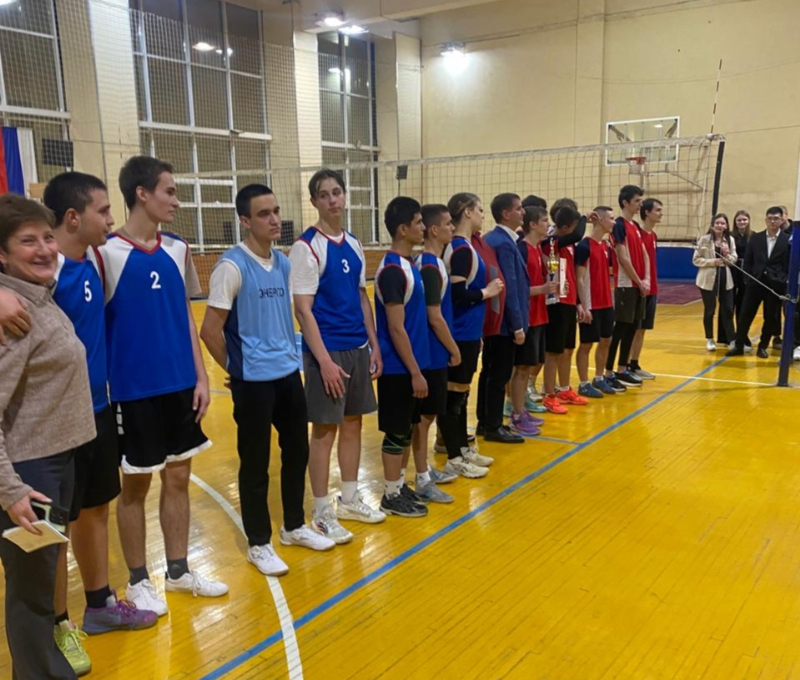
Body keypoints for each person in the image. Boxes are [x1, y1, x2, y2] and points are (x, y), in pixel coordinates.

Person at [93, 156, 227, 616]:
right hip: (133, 391)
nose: (176, 201)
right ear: (142, 194)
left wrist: (201, 375)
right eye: (169, 191)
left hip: (180, 386)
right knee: (135, 487)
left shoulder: (178, 249)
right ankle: (137, 580)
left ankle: (178, 571)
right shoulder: (105, 254)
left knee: (179, 478)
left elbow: (185, 316)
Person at [44, 173, 157, 675]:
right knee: (54, 525)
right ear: (73, 217)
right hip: (52, 421)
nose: (111, 220)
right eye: (103, 211)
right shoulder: (44, 271)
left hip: (96, 409)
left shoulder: (93, 259)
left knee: (95, 509)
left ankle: (99, 605)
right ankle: (57, 625)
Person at [201, 184, 335, 575]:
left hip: (287, 376)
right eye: (264, 214)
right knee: (256, 463)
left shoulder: (283, 263)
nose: (275, 219)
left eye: (276, 211)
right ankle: (259, 543)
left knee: (297, 452)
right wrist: (237, 370)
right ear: (245, 220)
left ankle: (293, 526)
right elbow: (209, 330)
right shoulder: (231, 266)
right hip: (254, 383)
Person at [0, 194, 96, 680]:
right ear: (2, 254)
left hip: (58, 460)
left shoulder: (37, 295)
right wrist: (11, 489)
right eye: (27, 241)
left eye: (46, 237)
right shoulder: (13, 316)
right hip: (30, 471)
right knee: (33, 594)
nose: (43, 249)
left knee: (43, 582)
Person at [289, 169, 385, 545]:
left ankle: (348, 499)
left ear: (345, 196)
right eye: (324, 194)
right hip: (326, 351)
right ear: (314, 201)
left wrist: (374, 344)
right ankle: (321, 512)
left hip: (357, 347)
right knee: (324, 432)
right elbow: (303, 309)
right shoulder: (307, 247)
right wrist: (324, 361)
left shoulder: (355, 244)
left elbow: (362, 297)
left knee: (353, 424)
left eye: (337, 192)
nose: (332, 199)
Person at [374, 197, 431, 517]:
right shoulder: (393, 271)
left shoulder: (410, 265)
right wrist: (414, 372)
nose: (424, 227)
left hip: (413, 363)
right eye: (419, 222)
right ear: (402, 229)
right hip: (399, 368)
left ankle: (398, 485)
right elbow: (396, 328)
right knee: (396, 432)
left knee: (407, 429)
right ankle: (390, 494)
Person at [438, 193, 500, 479]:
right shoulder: (461, 249)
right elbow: (457, 294)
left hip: (469, 332)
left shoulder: (466, 247)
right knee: (454, 396)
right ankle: (453, 456)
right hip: (459, 333)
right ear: (466, 212)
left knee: (461, 395)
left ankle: (462, 448)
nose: (482, 216)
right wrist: (487, 292)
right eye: (479, 210)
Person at [407, 204, 463, 503]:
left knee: (426, 416)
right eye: (448, 224)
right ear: (433, 230)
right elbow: (434, 316)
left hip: (434, 352)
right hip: (430, 352)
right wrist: (454, 348)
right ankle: (422, 478)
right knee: (423, 418)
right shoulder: (428, 266)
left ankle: (424, 468)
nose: (452, 228)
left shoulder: (434, 263)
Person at [477, 193, 529, 443]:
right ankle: (493, 426)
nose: (523, 212)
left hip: (495, 320)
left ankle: (485, 421)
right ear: (506, 214)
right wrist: (517, 325)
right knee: (498, 375)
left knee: (489, 372)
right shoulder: (503, 243)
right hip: (504, 323)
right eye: (518, 208)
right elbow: (510, 287)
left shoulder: (494, 238)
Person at [540, 200, 590, 414]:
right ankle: (549, 395)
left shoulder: (569, 246)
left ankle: (564, 389)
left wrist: (578, 303)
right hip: (556, 302)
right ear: (565, 227)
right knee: (553, 352)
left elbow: (571, 274)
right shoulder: (551, 242)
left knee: (568, 349)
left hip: (569, 301)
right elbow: (578, 234)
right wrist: (585, 216)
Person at [507, 205, 552, 434]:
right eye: (544, 220)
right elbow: (516, 288)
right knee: (521, 367)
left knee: (528, 366)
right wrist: (542, 289)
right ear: (532, 225)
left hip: (539, 315)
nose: (548, 224)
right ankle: (515, 414)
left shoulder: (537, 249)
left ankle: (521, 408)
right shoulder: (522, 249)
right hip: (527, 316)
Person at [727, 206, 791, 358]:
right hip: (755, 283)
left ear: (782, 220)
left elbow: (788, 264)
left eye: (776, 218)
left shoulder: (787, 240)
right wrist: (748, 279)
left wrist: (782, 280)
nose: (773, 221)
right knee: (745, 315)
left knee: (770, 317)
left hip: (774, 286)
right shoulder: (756, 238)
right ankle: (739, 345)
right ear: (766, 220)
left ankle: (763, 346)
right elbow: (748, 260)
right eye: (770, 218)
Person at [603, 185, 649, 389]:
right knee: (620, 329)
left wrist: (646, 279)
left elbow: (644, 253)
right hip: (625, 284)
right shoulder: (619, 225)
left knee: (632, 327)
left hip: (638, 284)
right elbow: (622, 257)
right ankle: (608, 372)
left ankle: (623, 369)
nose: (640, 204)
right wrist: (638, 281)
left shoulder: (636, 226)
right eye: (637, 201)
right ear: (625, 202)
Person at [575, 206, 617, 397]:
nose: (614, 222)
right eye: (611, 218)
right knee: (586, 344)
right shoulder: (584, 246)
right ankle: (583, 383)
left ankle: (599, 378)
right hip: (591, 304)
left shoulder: (606, 246)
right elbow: (579, 278)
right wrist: (583, 306)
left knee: (606, 340)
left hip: (606, 302)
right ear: (599, 220)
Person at [628, 198, 662, 380]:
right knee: (633, 328)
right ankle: (624, 366)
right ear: (647, 212)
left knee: (642, 329)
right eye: (658, 210)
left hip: (652, 288)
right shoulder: (637, 234)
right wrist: (641, 282)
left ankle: (634, 364)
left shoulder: (653, 236)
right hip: (639, 287)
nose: (661, 213)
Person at [694, 214, 737, 351]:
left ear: (727, 225)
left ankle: (731, 339)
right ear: (712, 225)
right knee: (710, 310)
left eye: (723, 223)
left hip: (725, 278)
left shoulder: (730, 240)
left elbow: (734, 259)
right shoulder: (704, 240)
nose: (720, 225)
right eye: (717, 223)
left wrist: (727, 255)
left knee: (728, 309)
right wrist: (712, 262)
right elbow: (696, 260)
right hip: (707, 279)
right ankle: (710, 339)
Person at [731, 209, 752, 337]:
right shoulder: (730, 236)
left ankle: (742, 333)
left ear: (748, 221)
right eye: (739, 220)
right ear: (735, 222)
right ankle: (728, 335)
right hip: (732, 270)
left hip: (747, 272)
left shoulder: (754, 236)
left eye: (744, 219)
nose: (742, 222)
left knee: (743, 304)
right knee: (729, 304)